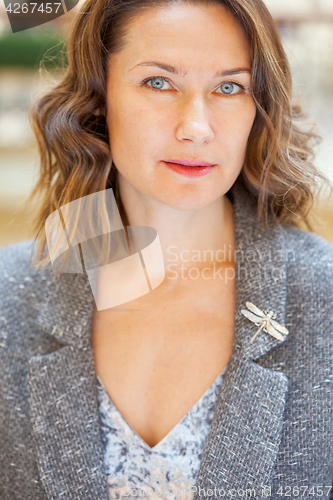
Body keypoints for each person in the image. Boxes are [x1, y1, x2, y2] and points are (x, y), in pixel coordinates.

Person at [0, 0, 332, 498]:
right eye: (159, 82)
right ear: (97, 99)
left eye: (229, 87)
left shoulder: (323, 294)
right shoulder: (9, 295)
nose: (196, 127)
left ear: (257, 110)